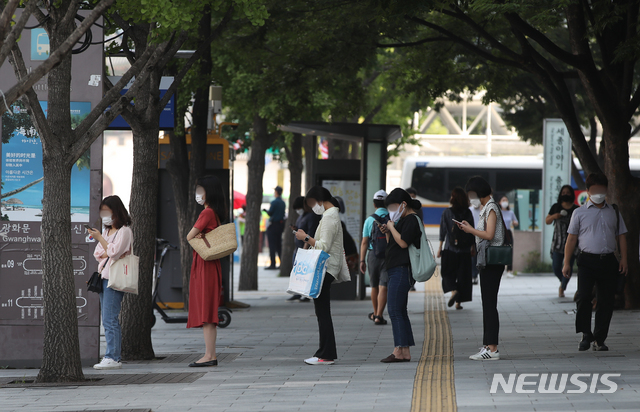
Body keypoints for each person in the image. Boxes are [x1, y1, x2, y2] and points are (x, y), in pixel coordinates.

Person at [563, 173, 628, 352]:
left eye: (601, 189)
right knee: (584, 297)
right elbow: (571, 239)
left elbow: (621, 236)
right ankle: (586, 334)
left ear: (606, 190)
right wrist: (566, 262)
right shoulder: (579, 212)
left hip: (608, 261)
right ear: (588, 191)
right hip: (586, 260)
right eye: (595, 190)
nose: (599, 193)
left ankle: (600, 339)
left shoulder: (613, 211)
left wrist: (624, 259)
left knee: (606, 301)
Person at [295, 186, 350, 365]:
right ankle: (325, 352)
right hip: (328, 267)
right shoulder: (330, 216)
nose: (312, 208)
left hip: (326, 268)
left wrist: (305, 237)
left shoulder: (329, 218)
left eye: (312, 203)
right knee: (322, 311)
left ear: (319, 200)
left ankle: (325, 354)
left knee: (323, 312)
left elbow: (323, 246)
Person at [457, 176, 505, 361]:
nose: (470, 199)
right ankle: (488, 345)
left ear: (479, 193)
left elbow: (489, 234)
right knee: (487, 304)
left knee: (489, 304)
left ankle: (492, 348)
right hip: (488, 261)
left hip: (492, 262)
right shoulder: (486, 208)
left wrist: (470, 230)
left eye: (471, 194)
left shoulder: (491, 207)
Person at [186, 175, 228, 367]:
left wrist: (197, 234)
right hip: (212, 265)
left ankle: (210, 355)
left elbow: (189, 236)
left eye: (200, 191)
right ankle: (210, 354)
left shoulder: (207, 213)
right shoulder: (216, 213)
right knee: (209, 311)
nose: (198, 194)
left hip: (205, 266)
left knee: (206, 311)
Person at [88, 195, 133, 370]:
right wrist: (107, 246)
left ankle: (113, 357)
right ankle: (111, 356)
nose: (104, 215)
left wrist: (103, 242)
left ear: (116, 211)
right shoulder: (106, 232)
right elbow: (98, 254)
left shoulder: (125, 231)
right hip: (104, 276)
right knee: (107, 319)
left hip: (115, 278)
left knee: (110, 319)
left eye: (107, 211)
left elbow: (113, 252)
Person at [379, 188, 423, 363]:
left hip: (402, 269)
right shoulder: (403, 220)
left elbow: (403, 243)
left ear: (403, 204)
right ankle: (404, 351)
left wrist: (390, 226)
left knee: (395, 310)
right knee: (400, 311)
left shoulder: (412, 219)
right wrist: (389, 231)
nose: (391, 210)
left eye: (393, 206)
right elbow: (394, 244)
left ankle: (399, 350)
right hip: (397, 268)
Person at [438, 188, 474, 310]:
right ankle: (459, 302)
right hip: (465, 250)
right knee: (463, 276)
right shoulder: (468, 212)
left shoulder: (447, 212)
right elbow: (472, 230)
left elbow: (443, 231)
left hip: (450, 248)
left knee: (447, 273)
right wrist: (473, 247)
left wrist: (439, 248)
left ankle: (453, 290)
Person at [359, 190, 389, 325]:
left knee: (374, 286)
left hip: (372, 255)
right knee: (384, 286)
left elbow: (365, 242)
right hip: (388, 256)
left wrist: (362, 260)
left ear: (374, 204)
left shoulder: (369, 220)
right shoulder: (392, 218)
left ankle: (375, 312)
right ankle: (379, 315)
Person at [546, 185, 579, 297]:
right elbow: (547, 221)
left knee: (568, 265)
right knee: (556, 267)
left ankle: (562, 287)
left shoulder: (576, 209)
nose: (565, 194)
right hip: (558, 243)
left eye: (568, 192)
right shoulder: (556, 207)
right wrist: (554, 216)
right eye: (563, 192)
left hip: (572, 244)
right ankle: (563, 281)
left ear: (572, 194)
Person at [288, 196, 321, 302]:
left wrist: (305, 249)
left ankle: (305, 295)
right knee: (297, 273)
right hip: (298, 248)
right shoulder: (302, 216)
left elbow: (310, 233)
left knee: (305, 273)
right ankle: (297, 293)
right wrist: (295, 229)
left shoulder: (311, 216)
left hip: (305, 248)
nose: (298, 211)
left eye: (299, 208)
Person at [265, 186, 286, 269]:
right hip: (280, 226)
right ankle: (281, 264)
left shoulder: (274, 202)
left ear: (276, 192)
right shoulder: (283, 203)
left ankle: (273, 264)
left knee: (272, 245)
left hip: (273, 225)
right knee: (278, 245)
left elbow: (270, 213)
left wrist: (265, 211)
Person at [499, 196, 518, 277]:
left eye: (506, 200)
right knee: (500, 250)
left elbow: (516, 221)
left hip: (508, 232)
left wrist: (514, 223)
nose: (505, 201)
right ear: (500, 202)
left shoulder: (511, 212)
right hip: (500, 232)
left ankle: (509, 270)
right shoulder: (498, 212)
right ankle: (500, 268)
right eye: (503, 200)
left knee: (509, 250)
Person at [469, 198, 482, 285]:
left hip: (481, 235)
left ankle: (476, 275)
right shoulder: (469, 210)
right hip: (471, 235)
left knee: (478, 257)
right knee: (472, 257)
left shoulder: (483, 210)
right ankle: (473, 275)